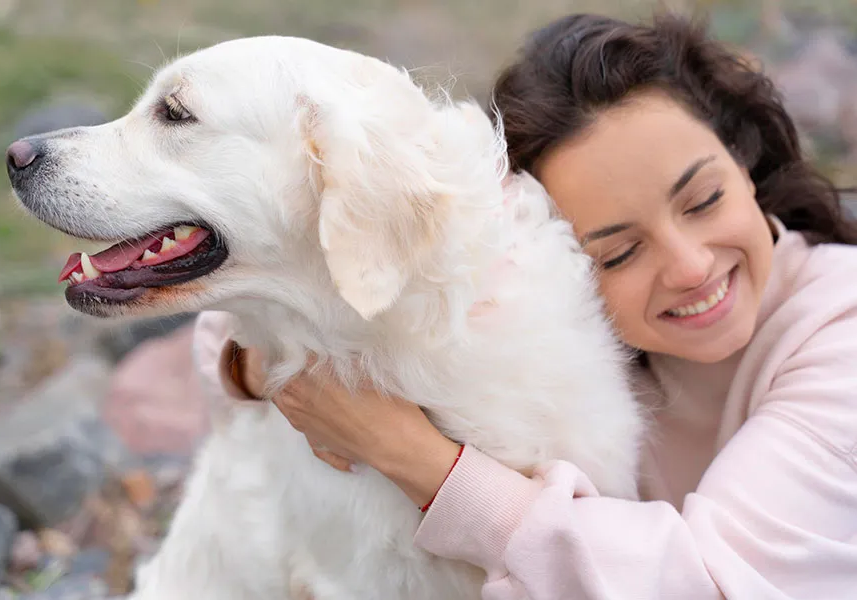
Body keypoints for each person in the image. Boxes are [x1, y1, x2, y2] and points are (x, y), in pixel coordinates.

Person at [192, 13, 857, 599]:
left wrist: (414, 457)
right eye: (619, 254)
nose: (689, 266)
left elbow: (702, 583)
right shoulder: (558, 303)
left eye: (704, 200)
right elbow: (231, 325)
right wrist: (268, 376)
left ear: (744, 160)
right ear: (556, 258)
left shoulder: (840, 324)